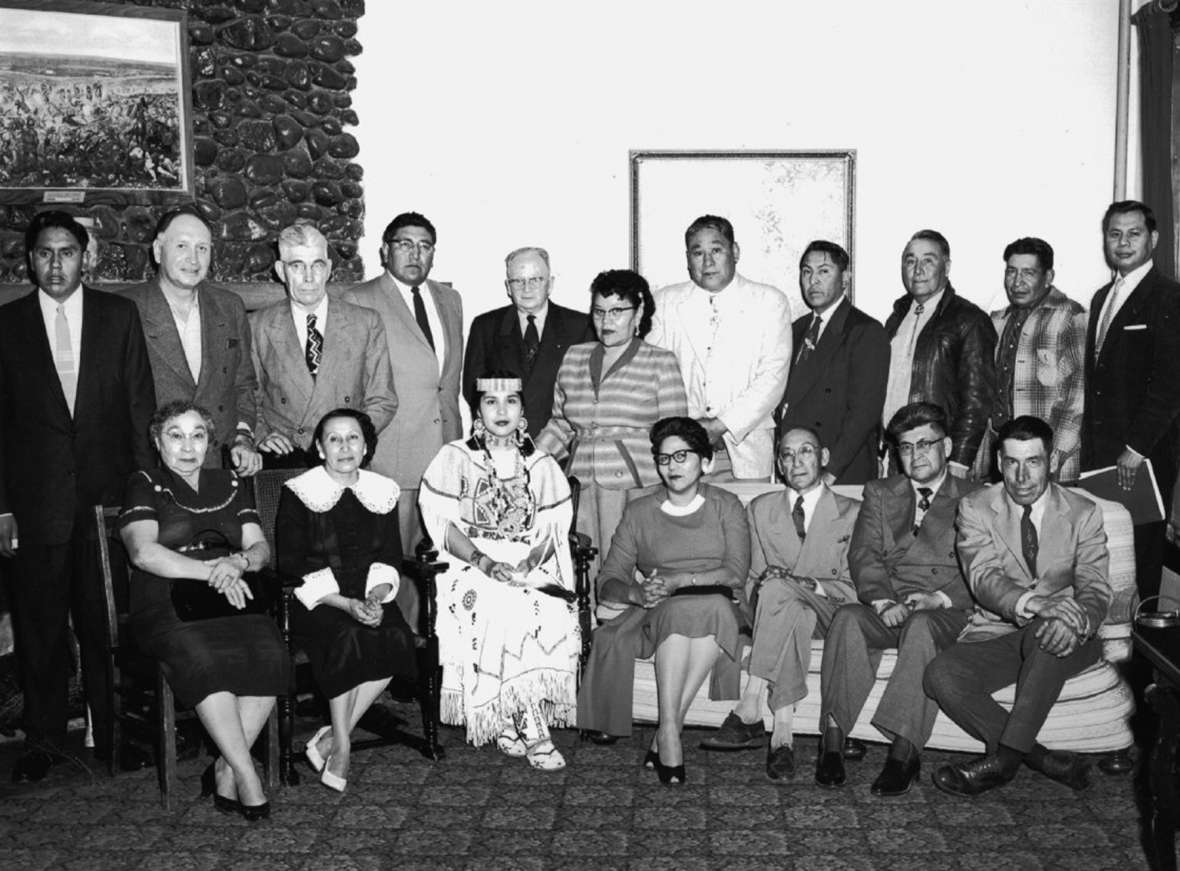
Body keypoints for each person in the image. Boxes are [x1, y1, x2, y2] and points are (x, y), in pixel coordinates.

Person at [0, 210, 155, 782]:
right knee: (39, 631)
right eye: (45, 253)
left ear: (85, 257)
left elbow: (141, 411)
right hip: (33, 508)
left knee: (105, 627)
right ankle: (41, 740)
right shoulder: (7, 325)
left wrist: (142, 500)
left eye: (68, 252)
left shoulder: (120, 316)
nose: (56, 263)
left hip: (105, 505)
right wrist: (1, 507)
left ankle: (113, 736)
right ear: (30, 259)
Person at [120, 401, 290, 819]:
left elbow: (260, 547)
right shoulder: (144, 482)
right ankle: (246, 775)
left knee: (272, 655)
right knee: (206, 661)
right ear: (158, 443)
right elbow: (143, 553)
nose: (188, 446)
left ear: (210, 443)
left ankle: (223, 767)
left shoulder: (230, 481)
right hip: (165, 600)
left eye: (198, 435)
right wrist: (210, 571)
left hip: (232, 592)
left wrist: (237, 563)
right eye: (175, 435)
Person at [926, 415, 1111, 795]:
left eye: (1033, 462)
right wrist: (1035, 602)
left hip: (1066, 636)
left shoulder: (1084, 512)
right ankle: (1040, 758)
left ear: (1051, 462)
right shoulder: (976, 507)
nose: (1021, 476)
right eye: (1012, 462)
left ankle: (1004, 761)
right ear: (998, 462)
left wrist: (1077, 621)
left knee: (1049, 634)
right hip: (1000, 630)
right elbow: (983, 578)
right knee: (940, 674)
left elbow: (1095, 589)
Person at [418, 374, 580, 770]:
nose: (502, 411)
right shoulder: (454, 457)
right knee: (500, 604)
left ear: (523, 411)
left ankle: (510, 716)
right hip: (468, 565)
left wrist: (529, 562)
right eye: (491, 402)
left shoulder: (540, 464)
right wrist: (486, 562)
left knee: (541, 601)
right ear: (477, 411)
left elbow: (554, 530)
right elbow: (443, 527)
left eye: (511, 401)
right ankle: (534, 727)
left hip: (527, 563)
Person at [577, 417, 751, 784]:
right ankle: (669, 732)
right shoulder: (640, 511)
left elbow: (735, 573)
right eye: (664, 458)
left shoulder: (727, 505)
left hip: (721, 601)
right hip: (661, 609)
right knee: (678, 610)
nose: (671, 466)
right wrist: (636, 593)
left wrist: (677, 581)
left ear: (706, 462)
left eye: (682, 456)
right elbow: (609, 580)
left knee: (706, 607)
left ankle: (667, 732)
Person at [816, 402, 975, 796]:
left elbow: (984, 568)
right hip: (891, 604)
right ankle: (832, 739)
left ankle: (904, 751)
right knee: (848, 618)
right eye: (906, 447)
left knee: (921, 627)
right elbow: (864, 554)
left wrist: (938, 598)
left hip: (945, 609)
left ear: (948, 446)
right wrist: (882, 601)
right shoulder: (881, 492)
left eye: (926, 444)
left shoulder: (977, 497)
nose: (916, 455)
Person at [700, 426, 860, 781]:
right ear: (779, 463)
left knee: (785, 591)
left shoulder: (853, 512)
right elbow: (751, 581)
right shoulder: (760, 509)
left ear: (823, 457)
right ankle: (782, 737)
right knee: (783, 599)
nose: (796, 461)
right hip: (781, 612)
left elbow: (858, 589)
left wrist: (808, 584)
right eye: (787, 455)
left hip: (830, 610)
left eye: (806, 451)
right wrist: (781, 587)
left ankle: (751, 703)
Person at [276, 409, 416, 793]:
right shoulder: (299, 491)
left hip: (367, 593)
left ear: (366, 445)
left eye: (353, 438)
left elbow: (390, 556)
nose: (344, 447)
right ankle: (342, 746)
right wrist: (345, 604)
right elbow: (291, 563)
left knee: (396, 635)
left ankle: (332, 737)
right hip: (315, 602)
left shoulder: (382, 489)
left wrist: (374, 598)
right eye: (334, 439)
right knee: (347, 637)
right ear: (320, 448)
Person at [535, 269, 688, 579]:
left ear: (640, 311)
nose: (606, 321)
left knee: (630, 571)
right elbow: (561, 423)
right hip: (581, 482)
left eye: (617, 311)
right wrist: (529, 460)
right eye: (599, 311)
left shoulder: (660, 361)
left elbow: (675, 435)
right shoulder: (575, 357)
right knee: (582, 571)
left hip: (636, 487)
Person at [345, 212, 463, 579]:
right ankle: (403, 634)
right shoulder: (359, 298)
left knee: (443, 554)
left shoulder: (450, 299)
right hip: (393, 452)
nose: (416, 254)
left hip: (446, 448)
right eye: (405, 244)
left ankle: (433, 634)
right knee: (394, 557)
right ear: (385, 250)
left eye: (425, 246)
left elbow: (445, 379)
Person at [1082, 200, 1180, 600]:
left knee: (1141, 565)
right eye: (1114, 233)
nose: (1123, 243)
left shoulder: (1169, 296)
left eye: (1133, 233)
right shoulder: (1102, 296)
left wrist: (1137, 448)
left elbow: (1172, 383)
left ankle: (1141, 661)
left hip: (1141, 458)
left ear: (1153, 239)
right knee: (1104, 560)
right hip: (1100, 457)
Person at [649, 215, 792, 480]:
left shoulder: (769, 302)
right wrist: (685, 433)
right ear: (687, 258)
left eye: (716, 250)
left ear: (735, 252)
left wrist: (719, 426)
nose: (708, 262)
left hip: (745, 447)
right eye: (698, 252)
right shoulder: (665, 303)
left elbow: (773, 378)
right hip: (681, 451)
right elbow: (653, 376)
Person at [123, 205, 261, 476]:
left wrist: (243, 437)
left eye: (202, 248)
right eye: (182, 246)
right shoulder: (126, 309)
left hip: (219, 465)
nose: (193, 259)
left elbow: (243, 385)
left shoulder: (230, 306)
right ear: (158, 249)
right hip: (152, 468)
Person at [250, 221, 397, 470]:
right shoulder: (258, 325)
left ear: (328, 269)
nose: (309, 277)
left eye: (317, 265)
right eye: (297, 266)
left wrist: (349, 440)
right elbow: (247, 396)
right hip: (285, 458)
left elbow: (383, 399)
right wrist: (263, 434)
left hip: (346, 461)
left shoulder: (366, 322)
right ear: (280, 270)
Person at [882, 230, 997, 477]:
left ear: (946, 266)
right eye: (910, 260)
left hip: (941, 458)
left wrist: (958, 461)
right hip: (898, 455)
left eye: (928, 260)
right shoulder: (896, 317)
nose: (918, 269)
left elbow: (977, 400)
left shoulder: (969, 320)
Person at [777, 240, 889, 484]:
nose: (813, 280)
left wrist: (831, 472)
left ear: (845, 278)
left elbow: (864, 414)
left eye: (824, 271)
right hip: (797, 466)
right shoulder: (796, 329)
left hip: (841, 469)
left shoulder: (865, 331)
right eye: (806, 272)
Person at [977, 237, 1086, 482]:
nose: (1017, 282)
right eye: (1011, 272)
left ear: (1048, 277)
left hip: (1050, 464)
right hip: (1003, 461)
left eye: (1028, 273)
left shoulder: (1070, 316)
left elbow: (1075, 402)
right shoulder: (996, 321)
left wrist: (1052, 459)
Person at [463, 246, 593, 437]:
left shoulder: (581, 327)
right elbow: (473, 389)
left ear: (550, 284)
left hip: (561, 445)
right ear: (508, 287)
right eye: (518, 281)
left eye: (535, 280)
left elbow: (586, 396)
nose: (526, 288)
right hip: (501, 442)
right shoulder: (486, 326)